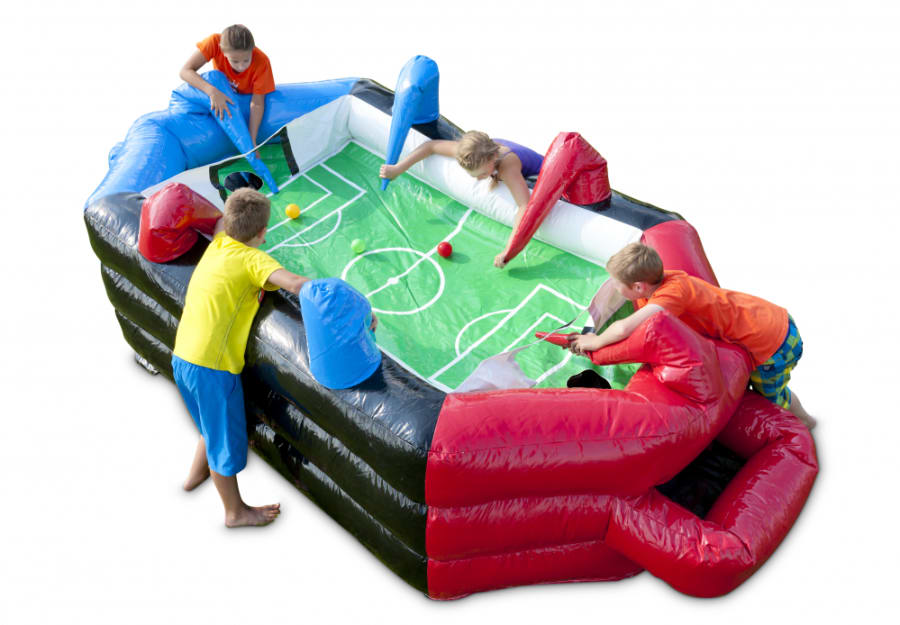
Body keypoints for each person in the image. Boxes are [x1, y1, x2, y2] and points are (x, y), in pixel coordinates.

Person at [172, 189, 314, 527]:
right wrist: (347, 304)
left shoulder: (219, 242)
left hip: (182, 356)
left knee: (210, 427)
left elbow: (221, 222)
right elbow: (296, 284)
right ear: (262, 233)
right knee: (224, 444)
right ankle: (235, 513)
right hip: (213, 368)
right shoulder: (254, 260)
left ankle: (193, 478)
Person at [568, 242, 816, 429]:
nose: (614, 287)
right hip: (768, 319)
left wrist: (596, 341)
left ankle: (804, 423)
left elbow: (624, 328)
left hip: (775, 341)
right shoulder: (654, 285)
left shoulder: (672, 294)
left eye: (617, 284)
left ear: (638, 287)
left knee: (771, 397)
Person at [379, 131, 543, 268]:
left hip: (540, 174)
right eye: (474, 175)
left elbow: (524, 205)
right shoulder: (472, 151)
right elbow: (431, 146)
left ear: (493, 158)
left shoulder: (507, 167)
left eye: (483, 174)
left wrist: (509, 250)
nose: (479, 179)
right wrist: (398, 169)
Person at [179, 24, 275, 151]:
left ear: (252, 50)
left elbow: (257, 103)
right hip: (223, 93)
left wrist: (252, 139)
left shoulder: (262, 61)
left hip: (245, 98)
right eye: (235, 61)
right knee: (214, 77)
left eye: (246, 60)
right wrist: (212, 92)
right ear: (223, 52)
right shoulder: (214, 42)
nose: (241, 66)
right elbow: (185, 71)